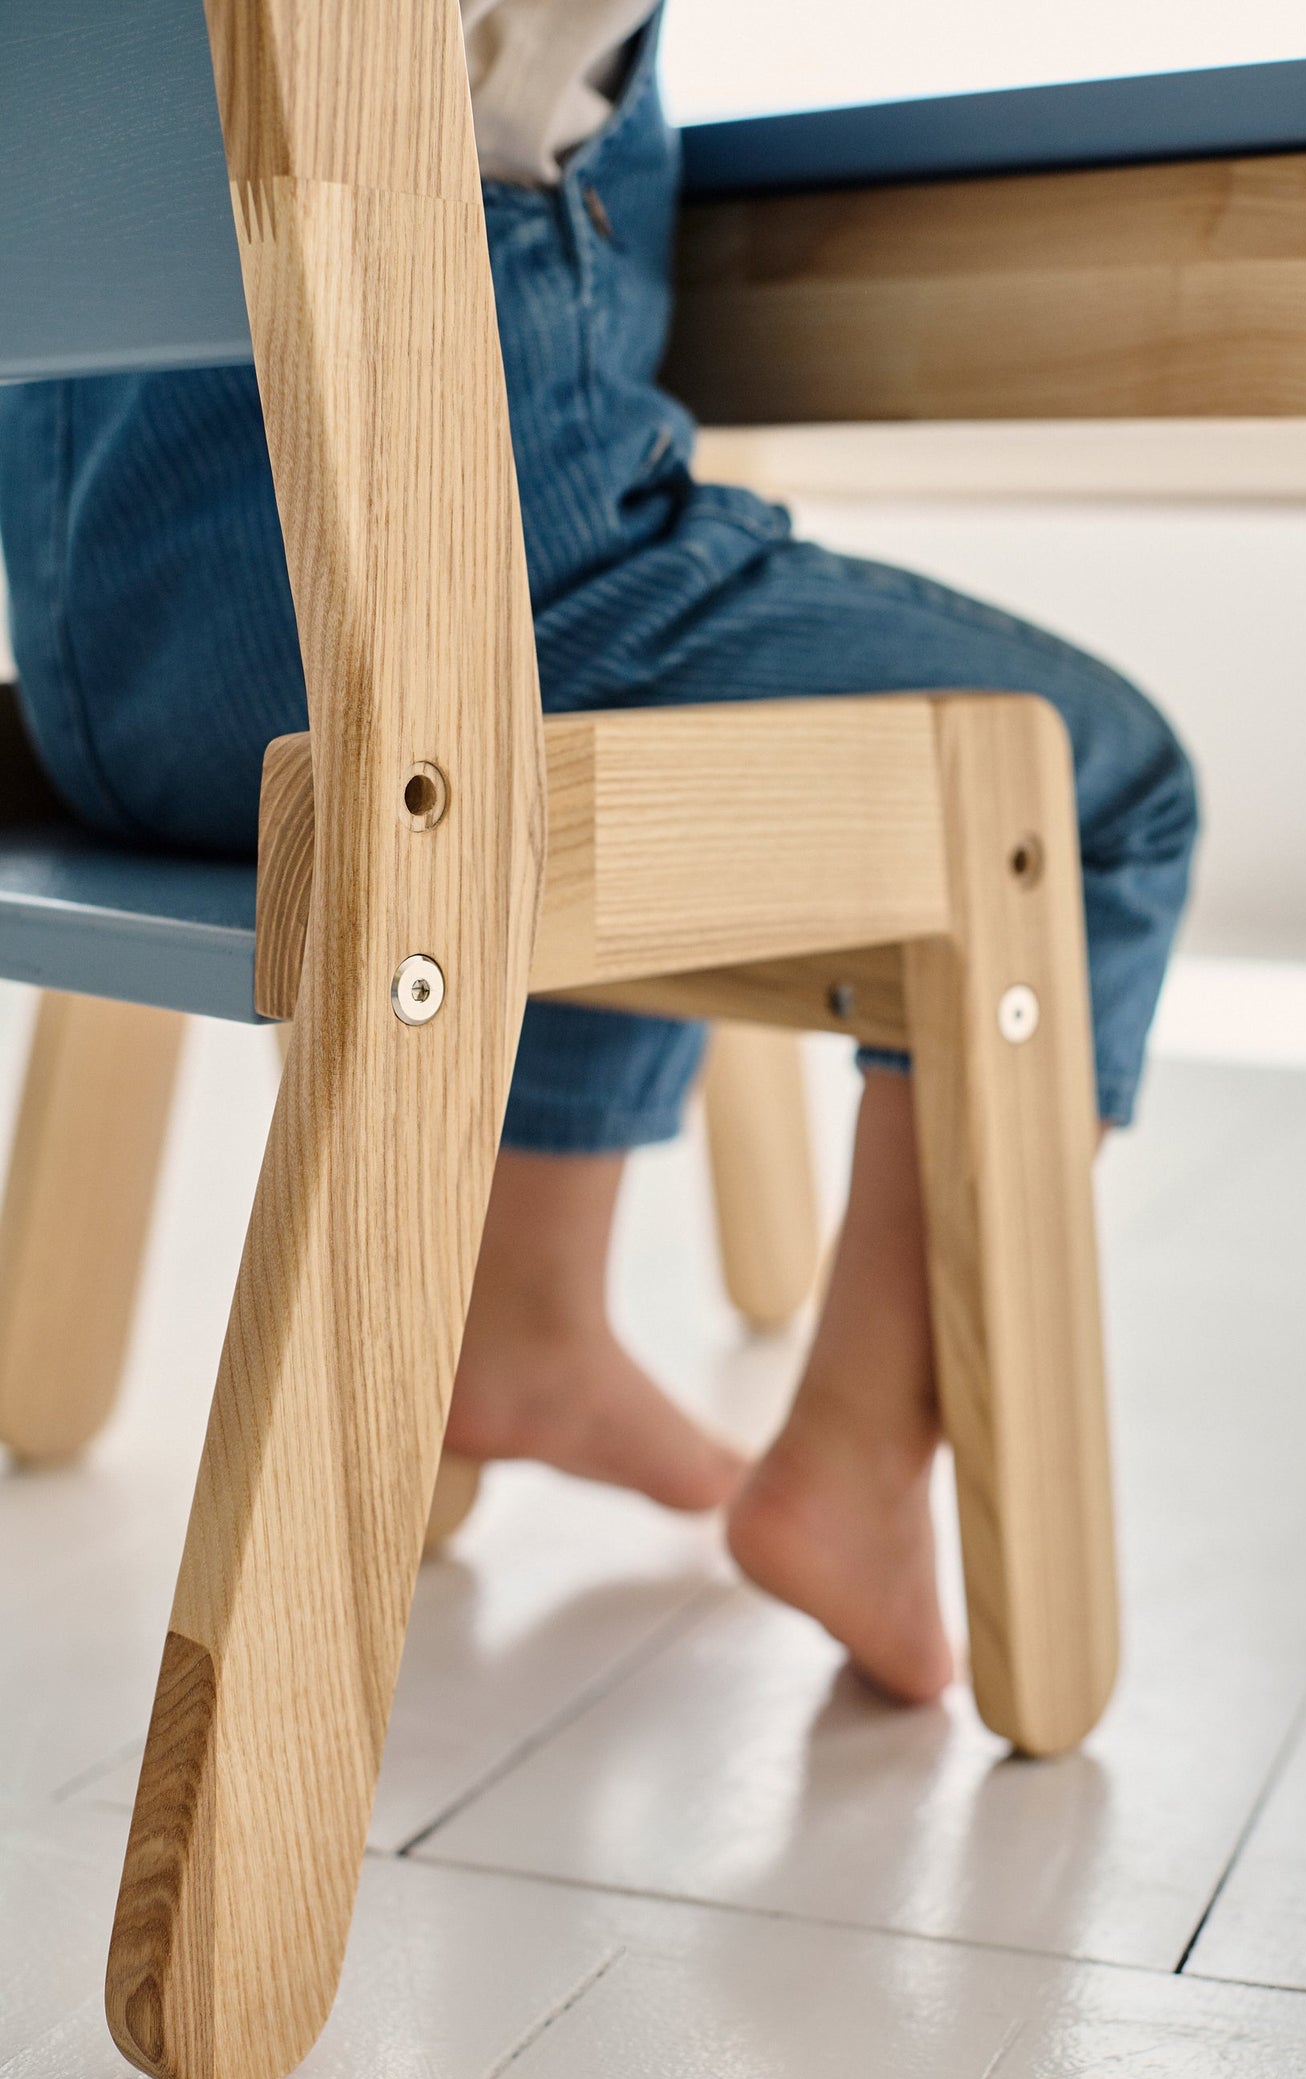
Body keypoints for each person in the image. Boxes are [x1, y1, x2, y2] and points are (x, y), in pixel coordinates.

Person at [0, 1, 1197, 1704]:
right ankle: (852, 1460)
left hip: (107, 682)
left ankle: (527, 1328)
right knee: (1109, 793)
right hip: (422, 603)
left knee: (614, 682)